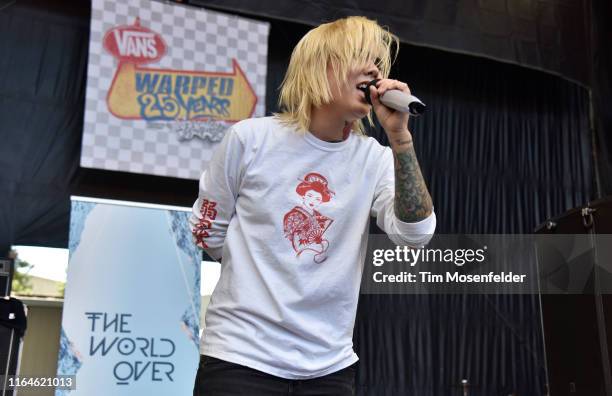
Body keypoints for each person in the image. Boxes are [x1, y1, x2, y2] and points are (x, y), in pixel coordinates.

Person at [190, 15, 436, 396]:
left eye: (378, 62)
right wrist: (255, 272)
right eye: (361, 56)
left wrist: (400, 139)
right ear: (320, 66)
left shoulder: (374, 158)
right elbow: (208, 232)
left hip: (329, 367)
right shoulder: (250, 140)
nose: (374, 69)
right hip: (240, 358)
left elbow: (417, 234)